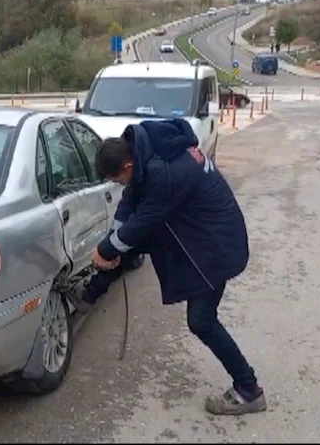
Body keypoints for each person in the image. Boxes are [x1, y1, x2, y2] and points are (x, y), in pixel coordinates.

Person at [88, 118, 266, 416]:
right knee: (129, 245)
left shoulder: (165, 174)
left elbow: (143, 222)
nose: (119, 185)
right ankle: (90, 294)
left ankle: (249, 390)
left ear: (127, 166)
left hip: (216, 244)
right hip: (206, 232)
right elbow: (130, 202)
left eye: (117, 179)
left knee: (201, 321)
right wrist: (113, 243)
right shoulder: (146, 150)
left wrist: (106, 249)